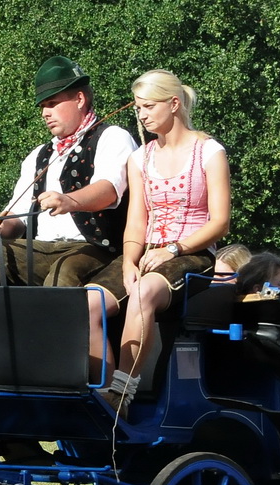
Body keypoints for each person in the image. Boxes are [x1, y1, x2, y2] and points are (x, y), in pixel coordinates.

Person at [93, 69, 230, 403]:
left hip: (191, 252)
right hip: (147, 250)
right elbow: (136, 221)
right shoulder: (140, 157)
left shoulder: (210, 152)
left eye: (148, 106)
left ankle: (122, 391)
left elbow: (220, 222)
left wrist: (174, 248)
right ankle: (99, 391)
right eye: (138, 107)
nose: (141, 115)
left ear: (173, 104)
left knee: (142, 294)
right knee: (85, 303)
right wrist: (128, 261)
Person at [0, 55, 139, 290]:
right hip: (42, 249)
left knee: (62, 274)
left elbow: (109, 190)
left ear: (79, 99)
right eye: (43, 106)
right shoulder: (38, 155)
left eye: (52, 103)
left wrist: (69, 201)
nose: (45, 112)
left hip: (99, 249)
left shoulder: (112, 137)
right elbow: (19, 215)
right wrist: (0, 225)